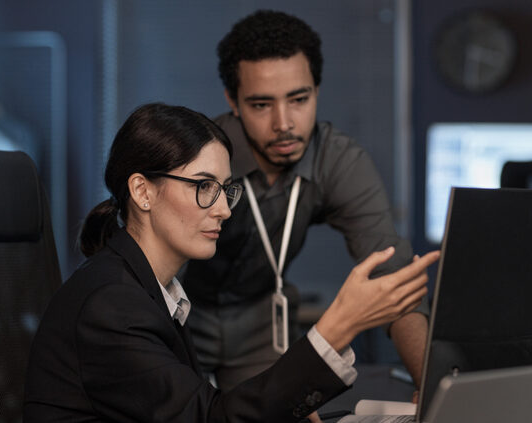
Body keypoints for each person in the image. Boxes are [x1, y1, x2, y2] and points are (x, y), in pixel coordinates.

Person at [23, 103, 439, 422]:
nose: (223, 208)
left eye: (226, 189)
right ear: (143, 192)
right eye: (204, 186)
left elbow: (198, 409)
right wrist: (340, 324)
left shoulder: (148, 291)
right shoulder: (112, 307)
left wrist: (284, 408)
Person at [183, 10, 430, 395]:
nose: (284, 122)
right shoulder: (199, 153)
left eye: (298, 99)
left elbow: (392, 277)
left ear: (317, 89)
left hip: (261, 320)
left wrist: (430, 386)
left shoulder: (339, 161)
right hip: (180, 313)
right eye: (262, 105)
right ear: (233, 100)